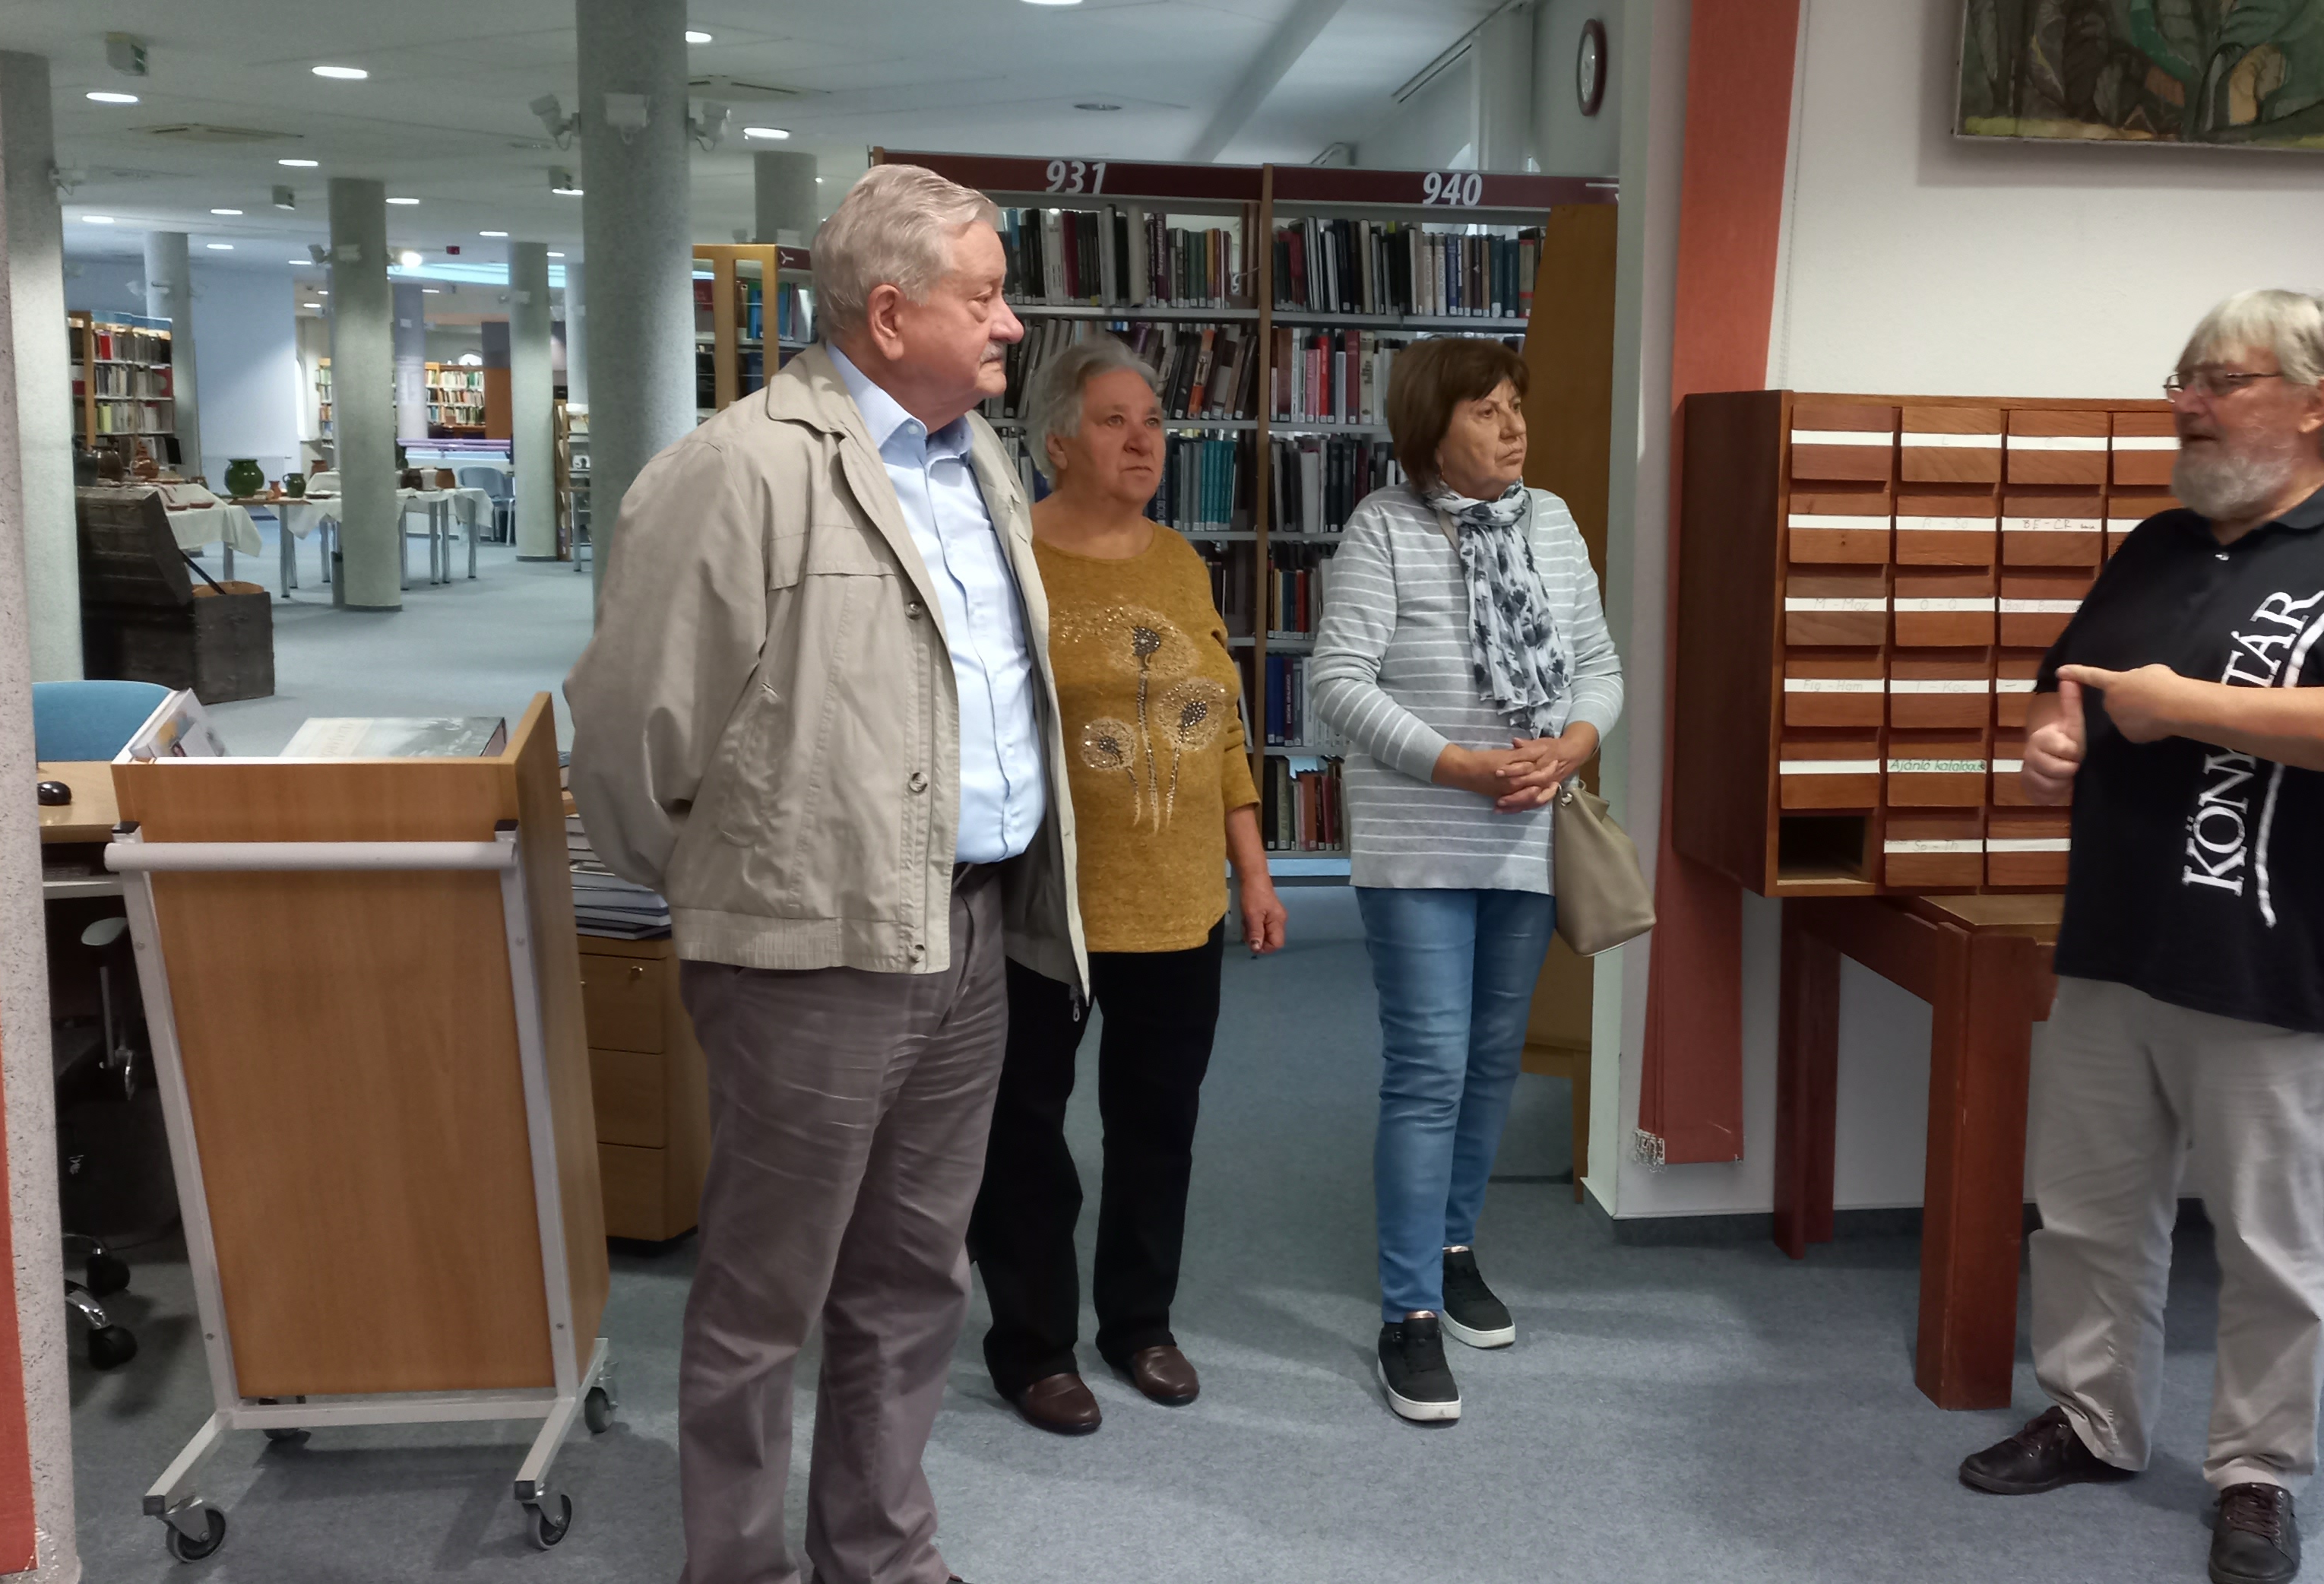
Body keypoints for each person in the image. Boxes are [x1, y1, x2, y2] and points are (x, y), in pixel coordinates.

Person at [564, 162, 1081, 1584]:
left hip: (968, 932)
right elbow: (629, 736)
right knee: (763, 1297)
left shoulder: (981, 460)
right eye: (987, 297)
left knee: (916, 1277)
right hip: (806, 955)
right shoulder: (739, 470)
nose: (1013, 325)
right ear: (891, 311)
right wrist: (740, 889)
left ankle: (879, 1553)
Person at [1952, 290, 2324, 1584]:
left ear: (2316, 399)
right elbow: (2069, 689)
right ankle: (2092, 1418)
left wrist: (2187, 706)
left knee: (2269, 1245)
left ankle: (2258, 1473)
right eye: (2182, 378)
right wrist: (2050, 742)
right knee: (2087, 1212)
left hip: (2279, 961)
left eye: (2219, 380)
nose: (2186, 402)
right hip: (2120, 939)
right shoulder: (2158, 544)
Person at [967, 337, 1288, 1437]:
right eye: (1114, 420)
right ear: (1057, 440)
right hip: (1047, 906)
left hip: (1178, 901)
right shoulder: (1010, 559)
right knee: (1025, 1131)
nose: (1144, 439)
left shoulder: (1183, 562)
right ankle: (1033, 1346)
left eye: (1152, 420)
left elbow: (1224, 731)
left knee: (1159, 1127)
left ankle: (1139, 1324)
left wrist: (1253, 869)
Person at [1306, 337, 1622, 1426]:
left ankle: (1451, 1251)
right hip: (1419, 844)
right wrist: (1461, 765)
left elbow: (1599, 667)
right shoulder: (1384, 526)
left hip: (1527, 838)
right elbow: (1339, 683)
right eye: (1487, 410)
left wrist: (1572, 744)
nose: (1514, 426)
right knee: (1430, 1067)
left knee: (1491, 1062)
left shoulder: (1554, 522)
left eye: (1516, 405)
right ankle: (1406, 1312)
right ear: (1431, 427)